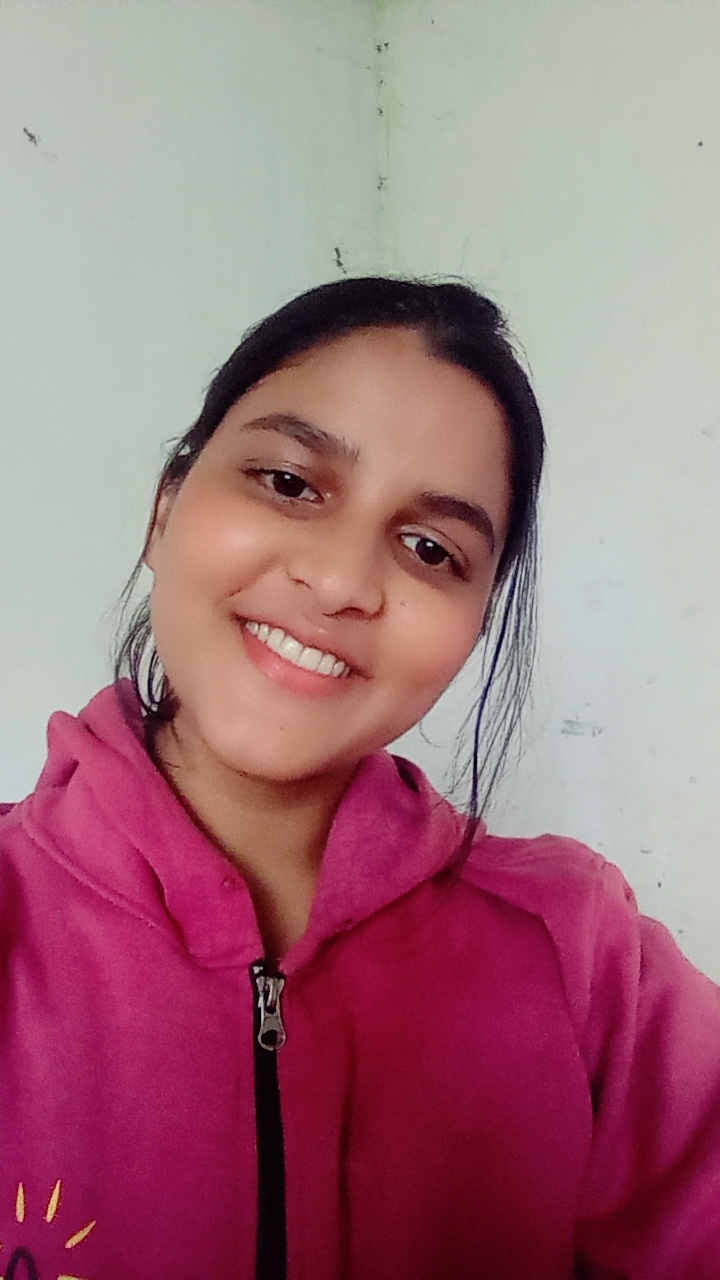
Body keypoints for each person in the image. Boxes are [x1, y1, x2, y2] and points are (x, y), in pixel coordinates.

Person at [0, 277, 719, 1280]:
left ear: (474, 627)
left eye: (430, 548)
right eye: (289, 482)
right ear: (165, 509)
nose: (340, 582)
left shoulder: (590, 965)